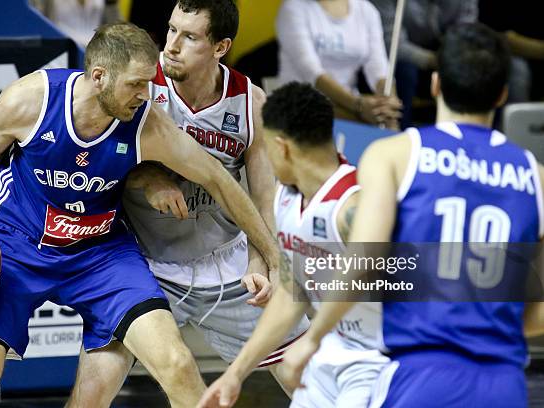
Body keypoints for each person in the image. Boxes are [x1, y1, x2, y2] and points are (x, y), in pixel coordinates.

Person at [0, 22, 280, 408]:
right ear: (99, 77)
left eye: (149, 82)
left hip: (100, 254)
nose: (145, 94)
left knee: (178, 363)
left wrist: (272, 255)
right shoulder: (30, 99)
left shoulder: (147, 124)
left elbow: (220, 180)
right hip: (15, 245)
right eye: (135, 84)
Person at [279, 23, 544, 407]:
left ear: (435, 84)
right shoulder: (535, 177)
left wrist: (315, 336)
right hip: (503, 384)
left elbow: (365, 258)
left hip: (422, 376)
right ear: (503, 94)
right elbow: (536, 314)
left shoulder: (397, 155)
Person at [74, 0, 309, 397]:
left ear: (220, 47)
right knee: (92, 389)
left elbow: (264, 197)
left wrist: (259, 260)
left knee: (312, 381)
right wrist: (148, 178)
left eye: (190, 36)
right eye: (170, 30)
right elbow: (101, 160)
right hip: (144, 266)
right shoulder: (141, 86)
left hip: (226, 264)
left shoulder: (250, 104)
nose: (171, 45)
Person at [196, 82, 387, 408]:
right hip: (334, 348)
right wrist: (236, 373)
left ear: (281, 147)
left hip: (382, 358)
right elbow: (289, 290)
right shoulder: (286, 197)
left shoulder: (354, 206)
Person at [276, 0, 402, 128]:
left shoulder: (366, 10)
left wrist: (388, 101)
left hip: (348, 102)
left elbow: (378, 66)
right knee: (370, 120)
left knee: (386, 118)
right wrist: (358, 105)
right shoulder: (293, 8)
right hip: (300, 103)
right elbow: (312, 72)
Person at [370, 0, 478, 128]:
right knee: (405, 71)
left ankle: (470, 135)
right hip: (407, 62)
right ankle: (402, 137)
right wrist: (434, 60)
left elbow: (464, 38)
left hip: (445, 60)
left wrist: (449, 60)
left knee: (477, 67)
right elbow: (392, 44)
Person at [30, 0, 123, 47]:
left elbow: (117, 29)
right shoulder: (50, 2)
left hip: (97, 50)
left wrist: (112, 5)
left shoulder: (104, 2)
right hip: (63, 48)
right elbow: (37, 22)